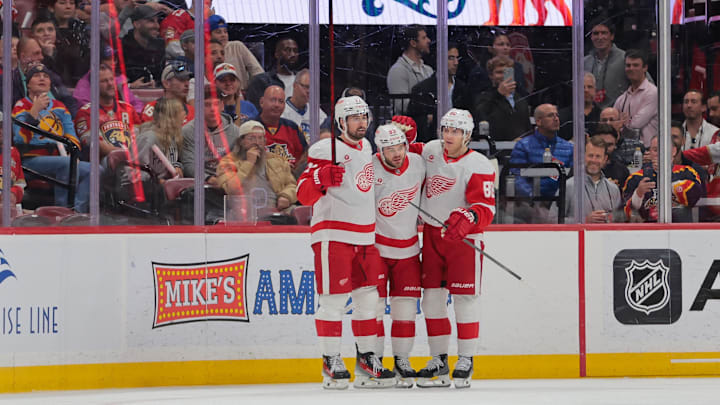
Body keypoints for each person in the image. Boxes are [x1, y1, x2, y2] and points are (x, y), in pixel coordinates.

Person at [296, 96, 395, 389]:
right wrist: (320, 178)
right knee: (333, 303)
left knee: (368, 301)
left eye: (364, 116)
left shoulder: (367, 147)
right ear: (341, 121)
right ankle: (331, 359)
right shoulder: (325, 148)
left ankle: (366, 357)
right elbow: (303, 193)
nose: (361, 122)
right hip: (333, 234)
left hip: (366, 236)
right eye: (354, 117)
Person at [416, 108, 495, 389]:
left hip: (464, 241)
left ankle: (466, 358)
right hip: (432, 235)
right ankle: (438, 358)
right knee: (432, 300)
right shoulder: (430, 151)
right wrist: (406, 133)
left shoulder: (479, 164)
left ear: (467, 135)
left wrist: (469, 218)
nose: (449, 136)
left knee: (465, 299)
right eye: (446, 130)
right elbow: (406, 158)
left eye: (456, 131)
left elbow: (485, 208)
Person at [370, 123, 425, 387]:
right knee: (375, 309)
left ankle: (402, 359)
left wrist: (411, 133)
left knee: (405, 310)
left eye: (400, 146)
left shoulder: (418, 162)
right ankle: (376, 360)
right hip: (378, 249)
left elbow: (446, 155)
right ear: (379, 150)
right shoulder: (368, 167)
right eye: (388, 148)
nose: (396, 153)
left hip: (410, 250)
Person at [12, 63, 90, 212]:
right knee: (66, 164)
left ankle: (77, 212)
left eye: (46, 76)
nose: (42, 78)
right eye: (36, 76)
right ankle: (62, 211)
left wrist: (72, 153)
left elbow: (72, 136)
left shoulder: (60, 107)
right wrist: (34, 112)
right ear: (28, 84)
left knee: (94, 170)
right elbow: (20, 139)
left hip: (62, 157)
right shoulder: (21, 106)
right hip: (30, 161)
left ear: (50, 84)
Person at [216, 120, 297, 213]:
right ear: (241, 141)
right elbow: (230, 189)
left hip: (277, 209)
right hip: (244, 211)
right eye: (252, 138)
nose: (257, 143)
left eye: (260, 138)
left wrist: (286, 196)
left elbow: (292, 184)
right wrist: (249, 163)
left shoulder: (277, 160)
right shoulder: (228, 162)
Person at [623, 135, 702, 222]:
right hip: (647, 231)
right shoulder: (636, 177)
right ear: (650, 152)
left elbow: (694, 196)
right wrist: (638, 194)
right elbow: (625, 213)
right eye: (655, 150)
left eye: (664, 149)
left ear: (674, 151)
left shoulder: (687, 172)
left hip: (679, 229)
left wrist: (667, 175)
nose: (660, 153)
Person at [74, 64, 140, 162]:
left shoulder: (128, 109)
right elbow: (95, 145)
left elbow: (140, 138)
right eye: (104, 81)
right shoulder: (85, 113)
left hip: (133, 160)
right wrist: (125, 155)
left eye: (111, 79)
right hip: (104, 162)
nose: (110, 84)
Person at [408, 42, 471, 143]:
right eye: (451, 58)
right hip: (432, 143)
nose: (456, 63)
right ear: (439, 60)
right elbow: (415, 122)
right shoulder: (422, 88)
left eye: (457, 58)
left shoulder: (463, 88)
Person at [510, 104, 573, 198]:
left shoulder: (569, 147)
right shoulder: (523, 146)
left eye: (557, 115)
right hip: (530, 202)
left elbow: (573, 179)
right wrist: (533, 199)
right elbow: (516, 177)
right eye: (550, 116)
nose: (556, 119)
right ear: (538, 121)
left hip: (562, 201)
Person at [182, 86, 240, 182]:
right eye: (207, 105)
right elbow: (189, 164)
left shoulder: (236, 132)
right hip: (199, 184)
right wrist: (207, 178)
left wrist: (226, 179)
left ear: (222, 105)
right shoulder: (187, 131)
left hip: (228, 181)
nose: (212, 109)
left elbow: (239, 163)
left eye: (216, 104)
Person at [561, 136, 622, 223]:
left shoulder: (613, 189)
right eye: (590, 155)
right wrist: (584, 221)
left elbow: (618, 222)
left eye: (598, 156)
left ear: (605, 159)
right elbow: (553, 220)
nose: (594, 160)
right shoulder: (568, 186)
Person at [12, 37, 78, 116]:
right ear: (23, 57)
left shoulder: (51, 76)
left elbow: (69, 101)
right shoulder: (9, 82)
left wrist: (71, 120)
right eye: (36, 53)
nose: (41, 57)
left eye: (41, 53)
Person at [473, 55, 531, 142]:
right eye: (499, 72)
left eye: (506, 72)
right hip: (495, 149)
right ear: (491, 76)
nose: (503, 76)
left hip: (520, 149)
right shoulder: (484, 97)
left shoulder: (520, 99)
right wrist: (499, 94)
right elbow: (481, 115)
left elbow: (527, 128)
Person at [256, 85, 307, 178]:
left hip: (291, 180)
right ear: (262, 102)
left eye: (281, 101)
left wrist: (296, 171)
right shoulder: (251, 127)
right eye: (272, 100)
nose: (276, 105)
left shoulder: (292, 128)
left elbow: (305, 154)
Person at [206, 14, 264, 92]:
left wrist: (251, 92)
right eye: (218, 32)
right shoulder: (204, 51)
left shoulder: (237, 46)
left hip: (242, 93)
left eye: (225, 32)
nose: (223, 35)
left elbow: (258, 72)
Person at [613, 49, 658, 147]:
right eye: (628, 65)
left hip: (648, 152)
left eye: (635, 65)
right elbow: (612, 124)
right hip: (625, 151)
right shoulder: (622, 98)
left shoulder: (653, 92)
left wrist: (622, 122)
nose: (631, 68)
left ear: (645, 67)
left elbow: (636, 125)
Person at [136, 97, 186, 181]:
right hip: (146, 189)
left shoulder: (173, 136)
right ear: (171, 116)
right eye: (181, 111)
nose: (185, 114)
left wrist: (177, 166)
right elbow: (137, 170)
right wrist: (157, 181)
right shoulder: (148, 138)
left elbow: (173, 160)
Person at [387, 25, 433, 115]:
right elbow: (401, 105)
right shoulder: (398, 70)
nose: (429, 41)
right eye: (424, 38)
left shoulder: (428, 70)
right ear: (413, 43)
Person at [583, 20, 629, 109]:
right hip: (591, 116)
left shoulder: (625, 59)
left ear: (611, 36)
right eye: (596, 33)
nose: (600, 37)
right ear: (591, 37)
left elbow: (645, 87)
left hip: (617, 116)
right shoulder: (584, 62)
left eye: (604, 33)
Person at [468, 31, 527, 97]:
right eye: (501, 44)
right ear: (490, 48)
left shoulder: (517, 67)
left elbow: (522, 94)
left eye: (508, 44)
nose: (505, 48)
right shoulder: (479, 71)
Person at [121, 5, 165, 86]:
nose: (157, 26)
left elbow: (162, 76)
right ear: (137, 24)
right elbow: (112, 81)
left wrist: (157, 84)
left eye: (157, 21)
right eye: (151, 21)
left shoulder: (160, 44)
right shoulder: (122, 47)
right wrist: (130, 86)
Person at [280, 69, 327, 144]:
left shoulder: (316, 111)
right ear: (295, 85)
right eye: (305, 87)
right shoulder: (281, 110)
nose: (309, 91)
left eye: (311, 88)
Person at [559, 72, 602, 141]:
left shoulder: (602, 116)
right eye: (582, 87)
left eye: (590, 87)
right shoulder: (562, 117)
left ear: (595, 90)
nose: (586, 90)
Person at [0, 111, 26, 206]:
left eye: (2, 127)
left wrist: (13, 194)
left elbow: (20, 184)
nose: (1, 131)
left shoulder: (13, 152)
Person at [593, 124, 629, 188]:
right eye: (602, 143)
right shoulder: (579, 169)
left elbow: (626, 196)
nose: (606, 148)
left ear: (615, 145)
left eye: (609, 145)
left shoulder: (622, 171)